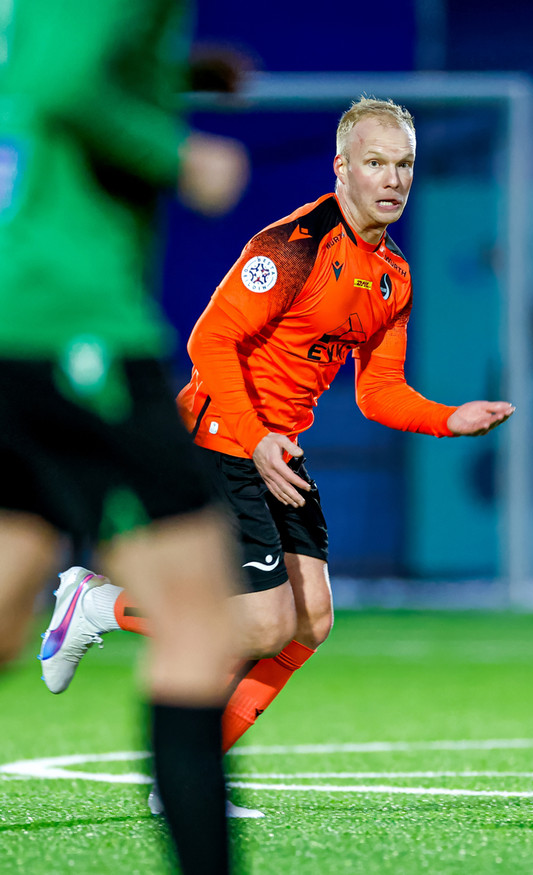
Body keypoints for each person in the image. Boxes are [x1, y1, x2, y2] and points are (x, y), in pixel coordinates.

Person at [39, 96, 515, 813]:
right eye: (376, 162)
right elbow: (209, 340)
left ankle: (185, 783)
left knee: (311, 620)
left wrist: (450, 418)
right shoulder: (294, 246)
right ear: (342, 167)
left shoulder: (393, 275)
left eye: (404, 165)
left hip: (277, 450)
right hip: (221, 439)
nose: (392, 179)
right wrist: (255, 436)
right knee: (265, 623)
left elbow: (378, 392)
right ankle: (98, 604)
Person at [0, 1, 250, 872]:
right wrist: (181, 155)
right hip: (71, 321)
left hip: (17, 316)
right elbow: (56, 83)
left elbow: (31, 61)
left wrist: (172, 77)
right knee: (196, 623)